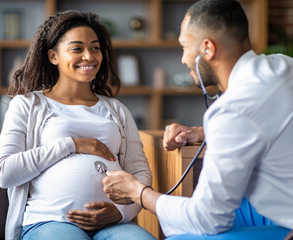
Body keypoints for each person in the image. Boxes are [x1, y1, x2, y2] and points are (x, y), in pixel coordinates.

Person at [102, 0, 293, 239]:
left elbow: (208, 219)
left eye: (184, 47)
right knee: (184, 220)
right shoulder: (283, 66)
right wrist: (204, 132)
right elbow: (268, 120)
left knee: (181, 233)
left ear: (207, 49)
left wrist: (137, 192)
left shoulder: (233, 110)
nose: (183, 59)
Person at [0, 10, 156, 240]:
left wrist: (121, 212)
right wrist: (72, 145)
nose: (89, 56)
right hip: (49, 221)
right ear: (53, 56)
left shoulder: (117, 109)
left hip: (114, 224)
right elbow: (4, 173)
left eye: (95, 48)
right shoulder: (28, 105)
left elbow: (139, 172)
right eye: (77, 48)